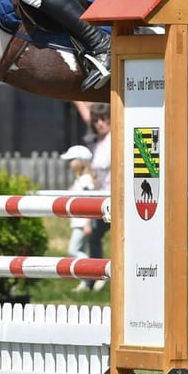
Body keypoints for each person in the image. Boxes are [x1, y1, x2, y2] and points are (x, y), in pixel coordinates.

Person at [59, 144, 96, 291]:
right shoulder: (80, 180)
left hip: (82, 223)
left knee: (73, 250)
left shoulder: (86, 180)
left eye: (72, 160)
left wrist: (87, 223)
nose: (69, 163)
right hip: (79, 222)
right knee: (79, 249)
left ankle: (89, 273)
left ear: (81, 161)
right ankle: (86, 282)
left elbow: (90, 200)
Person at [85, 102, 111, 291]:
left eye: (104, 119)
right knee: (94, 237)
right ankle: (96, 276)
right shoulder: (96, 143)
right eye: (96, 121)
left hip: (116, 198)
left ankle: (103, 275)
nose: (100, 124)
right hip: (100, 199)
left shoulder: (115, 139)